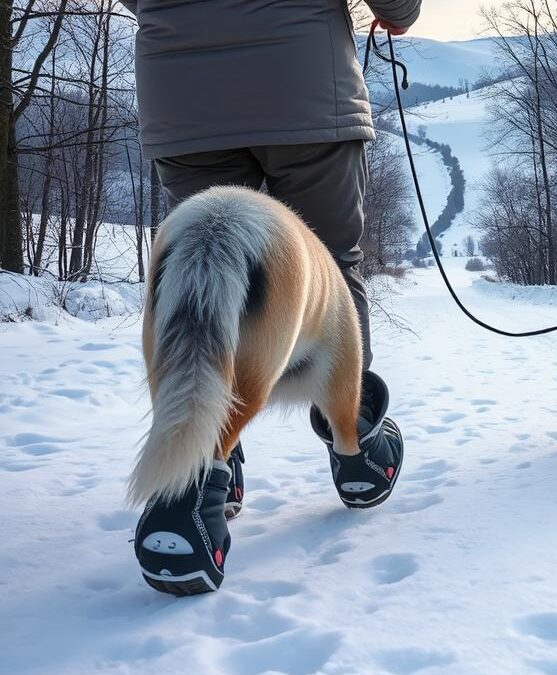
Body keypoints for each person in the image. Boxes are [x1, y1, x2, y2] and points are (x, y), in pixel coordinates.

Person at [121, 0, 421, 594]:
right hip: (303, 87)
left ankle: (199, 474)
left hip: (182, 90)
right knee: (330, 263)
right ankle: (353, 443)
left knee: (201, 277)